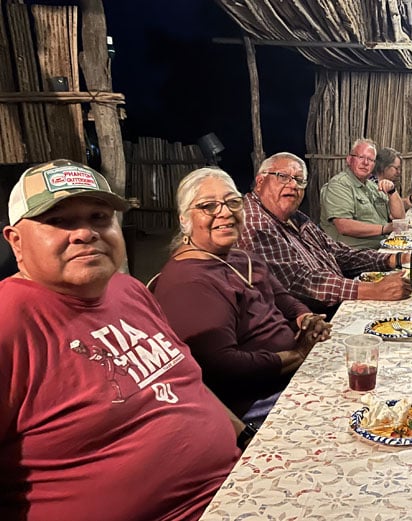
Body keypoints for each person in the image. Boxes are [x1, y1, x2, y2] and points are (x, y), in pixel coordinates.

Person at [0, 159, 239, 521]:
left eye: (99, 217)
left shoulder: (129, 289)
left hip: (238, 485)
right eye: (59, 221)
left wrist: (248, 437)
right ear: (15, 241)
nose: (84, 233)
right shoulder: (9, 320)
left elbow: (186, 381)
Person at [151, 168, 332, 424]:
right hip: (256, 400)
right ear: (184, 219)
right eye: (208, 206)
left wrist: (306, 318)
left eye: (233, 202)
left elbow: (283, 299)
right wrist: (297, 355)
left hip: (292, 373)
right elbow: (224, 367)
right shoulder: (189, 282)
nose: (225, 212)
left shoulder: (242, 257)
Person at [236, 152, 412, 318]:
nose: (292, 185)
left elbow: (337, 252)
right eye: (283, 177)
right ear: (260, 182)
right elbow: (297, 281)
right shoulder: (255, 221)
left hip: (338, 299)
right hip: (310, 321)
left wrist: (397, 258)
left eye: (299, 180)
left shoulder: (293, 216)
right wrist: (370, 290)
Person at [320, 138, 406, 249]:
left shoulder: (372, 186)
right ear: (349, 159)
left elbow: (400, 218)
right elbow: (344, 226)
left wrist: (392, 192)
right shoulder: (339, 185)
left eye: (370, 160)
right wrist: (384, 229)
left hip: (381, 247)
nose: (365, 163)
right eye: (361, 157)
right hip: (352, 254)